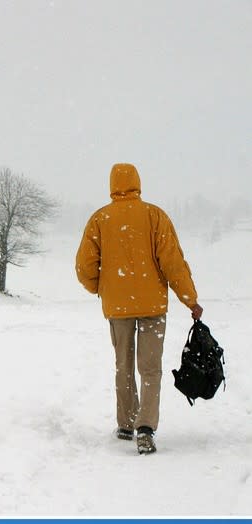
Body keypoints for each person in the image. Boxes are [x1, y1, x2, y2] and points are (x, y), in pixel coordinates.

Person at [76, 163, 203, 454]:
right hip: (152, 305)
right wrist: (190, 299)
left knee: (124, 364)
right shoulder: (154, 216)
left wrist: (100, 286)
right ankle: (146, 427)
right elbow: (173, 262)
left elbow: (84, 266)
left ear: (112, 185)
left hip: (117, 306)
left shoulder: (100, 219)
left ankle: (126, 423)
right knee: (150, 368)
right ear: (137, 183)